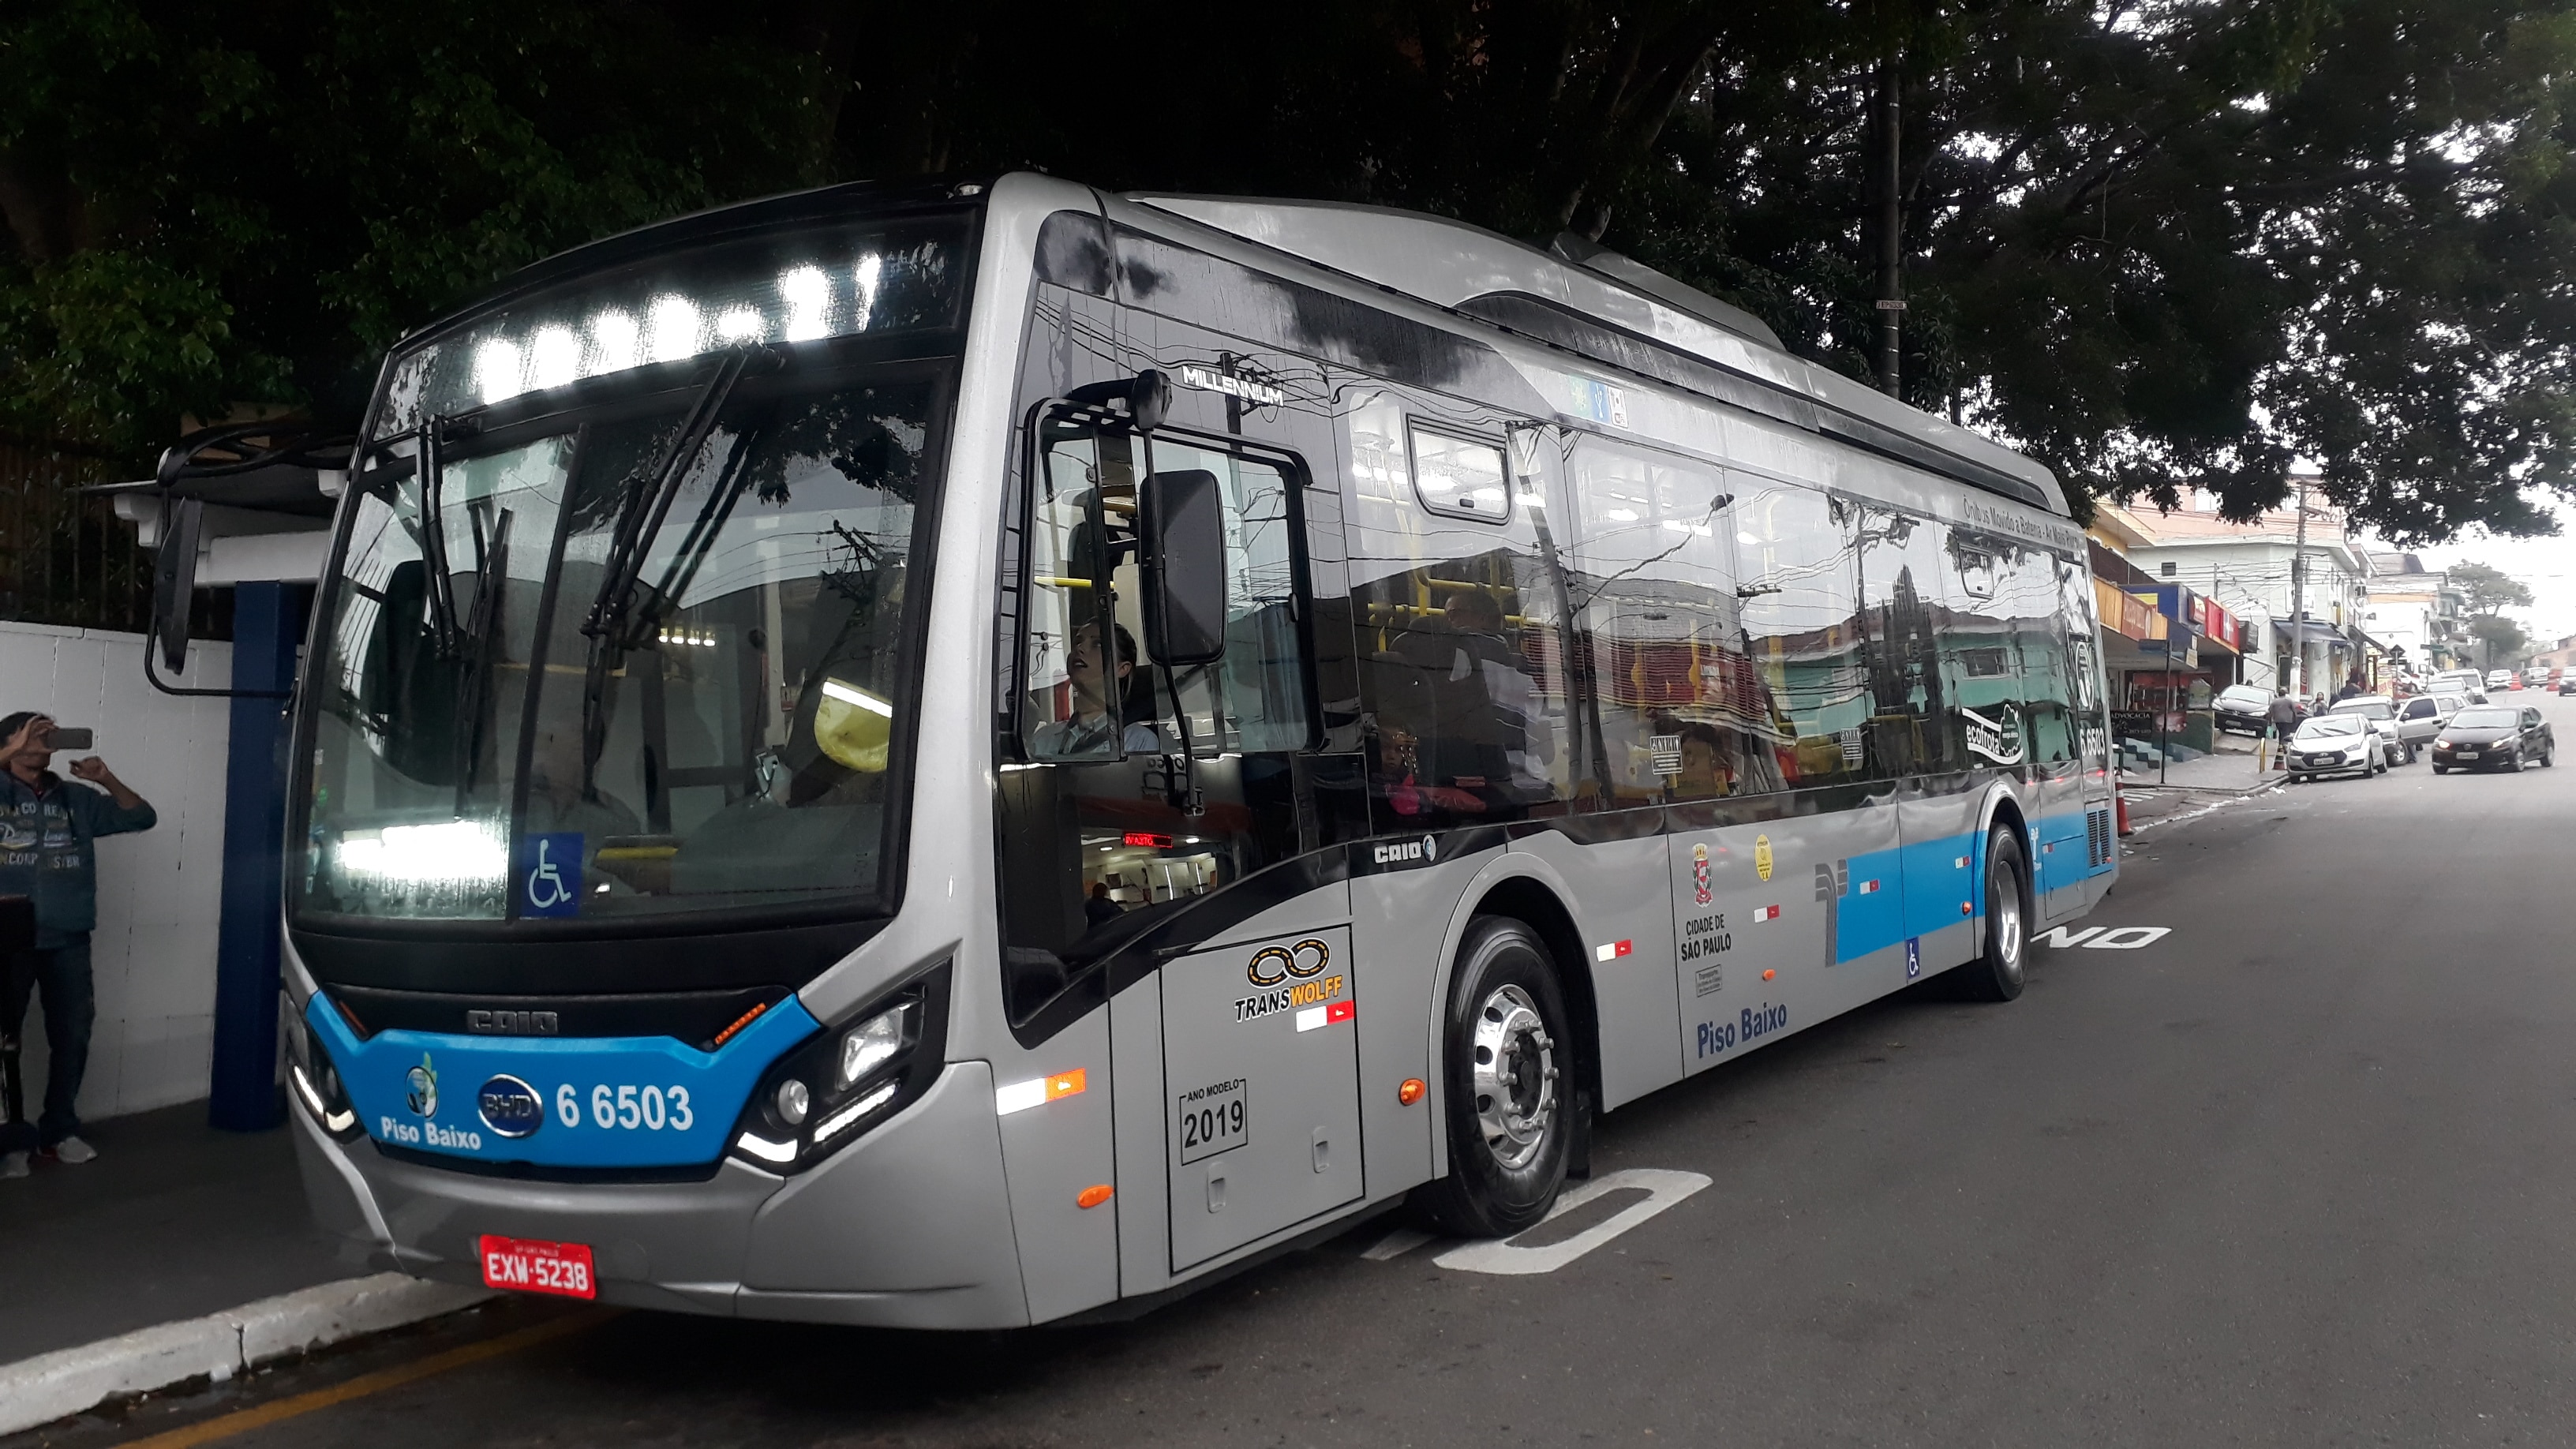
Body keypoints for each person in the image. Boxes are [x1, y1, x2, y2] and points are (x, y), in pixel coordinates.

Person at [0, 713, 155, 1177]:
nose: (43, 740)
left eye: (48, 735)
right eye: (31, 733)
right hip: (7, 938)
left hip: (67, 937)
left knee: (72, 1035)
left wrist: (106, 778)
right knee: (4, 1042)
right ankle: (10, 1138)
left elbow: (141, 816)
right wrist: (9, 752)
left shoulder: (76, 799)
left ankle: (58, 1131)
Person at [1032, 620, 1162, 758]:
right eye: (1077, 642)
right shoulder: (1043, 739)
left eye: (1098, 644)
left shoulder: (1138, 742)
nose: (1079, 648)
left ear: (1122, 668)